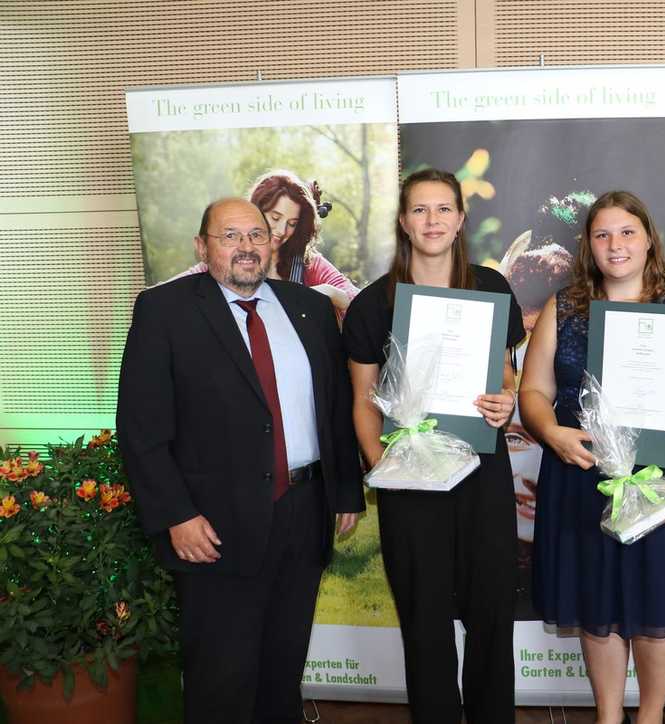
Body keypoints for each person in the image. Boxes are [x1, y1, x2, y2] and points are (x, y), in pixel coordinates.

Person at [116, 198, 364, 724]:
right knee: (220, 678)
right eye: (230, 236)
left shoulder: (311, 309)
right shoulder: (164, 311)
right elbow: (141, 430)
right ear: (202, 246)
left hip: (303, 513)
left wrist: (344, 491)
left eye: (256, 235)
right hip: (212, 525)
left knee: (283, 669)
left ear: (272, 244)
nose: (247, 247)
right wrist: (176, 515)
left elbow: (335, 408)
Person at [520, 190, 665, 724]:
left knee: (658, 606)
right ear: (588, 244)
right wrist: (551, 433)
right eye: (602, 234)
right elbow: (533, 393)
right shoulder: (564, 309)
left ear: (649, 238)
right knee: (597, 606)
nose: (616, 244)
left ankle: (650, 716)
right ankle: (608, 715)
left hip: (662, 487)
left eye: (627, 231)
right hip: (583, 479)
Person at [343, 168, 523, 723]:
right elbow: (363, 401)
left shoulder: (491, 287)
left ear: (461, 219)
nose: (432, 221)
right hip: (411, 487)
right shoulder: (374, 305)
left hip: (481, 475)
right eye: (420, 210)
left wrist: (506, 400)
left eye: (443, 209)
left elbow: (507, 376)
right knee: (424, 624)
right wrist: (385, 468)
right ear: (402, 220)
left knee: (492, 617)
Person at [172, 170, 360, 314]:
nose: (281, 231)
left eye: (292, 223)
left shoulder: (308, 262)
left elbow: (357, 301)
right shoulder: (230, 257)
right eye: (275, 218)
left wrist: (332, 294)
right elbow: (163, 296)